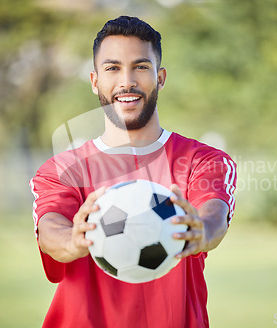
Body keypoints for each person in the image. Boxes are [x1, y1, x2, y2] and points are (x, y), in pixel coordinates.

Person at [29, 16, 237, 328]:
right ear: (95, 80)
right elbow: (50, 229)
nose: (127, 81)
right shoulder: (62, 170)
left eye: (140, 66)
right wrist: (72, 241)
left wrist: (203, 231)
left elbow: (213, 214)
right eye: (112, 68)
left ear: (161, 77)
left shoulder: (202, 160)